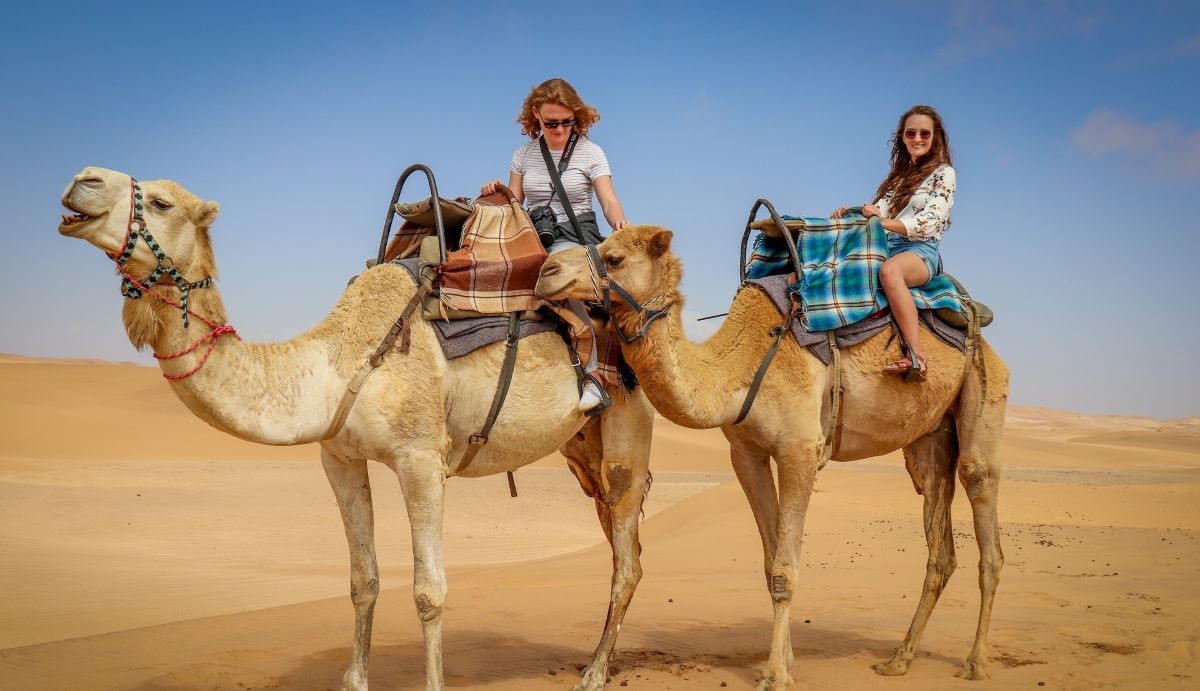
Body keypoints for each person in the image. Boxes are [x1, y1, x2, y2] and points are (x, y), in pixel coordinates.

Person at [481, 78, 630, 413]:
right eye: (551, 123)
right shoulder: (524, 154)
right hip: (535, 234)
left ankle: (591, 373)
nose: (560, 129)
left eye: (567, 122)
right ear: (536, 116)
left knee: (559, 276)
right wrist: (497, 190)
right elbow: (514, 201)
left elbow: (608, 200)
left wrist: (619, 223)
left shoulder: (591, 153)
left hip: (576, 237)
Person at [833, 104, 956, 382]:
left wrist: (881, 223)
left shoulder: (943, 174)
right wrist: (851, 213)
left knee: (890, 272)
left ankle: (917, 357)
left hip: (920, 251)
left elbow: (931, 221)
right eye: (911, 133)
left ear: (935, 137)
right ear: (902, 137)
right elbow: (879, 211)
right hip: (887, 246)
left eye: (925, 133)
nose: (918, 139)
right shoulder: (897, 180)